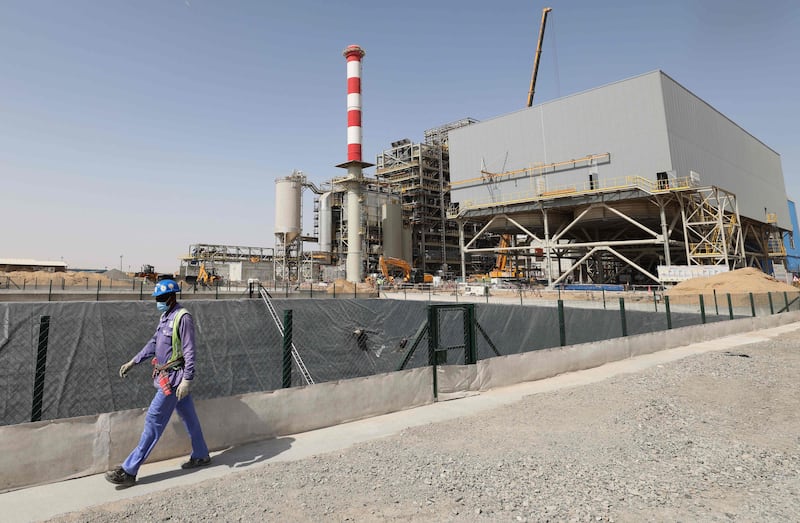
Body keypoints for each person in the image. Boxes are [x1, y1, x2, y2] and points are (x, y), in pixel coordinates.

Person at [105, 279, 211, 487]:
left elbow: (190, 351)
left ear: (172, 297)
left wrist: (187, 379)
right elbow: (154, 343)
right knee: (189, 418)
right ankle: (201, 454)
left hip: (173, 381)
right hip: (168, 378)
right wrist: (133, 361)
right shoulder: (165, 317)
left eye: (162, 298)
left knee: (153, 421)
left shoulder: (183, 317)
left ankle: (129, 470)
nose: (159, 302)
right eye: (157, 299)